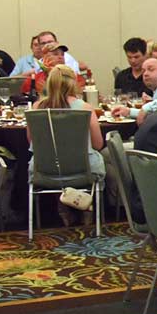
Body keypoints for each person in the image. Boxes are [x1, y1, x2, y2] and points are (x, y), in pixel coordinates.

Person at [28, 65, 106, 224]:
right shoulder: (85, 108)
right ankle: (84, 204)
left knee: (56, 161)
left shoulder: (36, 108)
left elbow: (32, 143)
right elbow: (98, 144)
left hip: (44, 172)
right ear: (73, 83)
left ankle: (64, 203)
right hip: (84, 171)